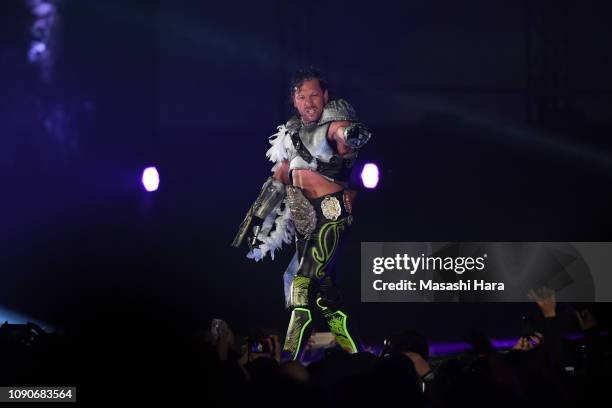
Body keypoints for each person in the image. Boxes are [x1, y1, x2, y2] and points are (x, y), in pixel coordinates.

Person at [232, 67, 372, 361]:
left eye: (313, 95)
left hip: (330, 215)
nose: (308, 102)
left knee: (301, 286)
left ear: (325, 97)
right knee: (325, 299)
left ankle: (287, 361)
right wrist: (257, 218)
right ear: (294, 101)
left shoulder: (333, 120)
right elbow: (279, 177)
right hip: (303, 221)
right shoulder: (292, 133)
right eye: (301, 96)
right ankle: (359, 355)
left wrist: (349, 135)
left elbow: (342, 133)